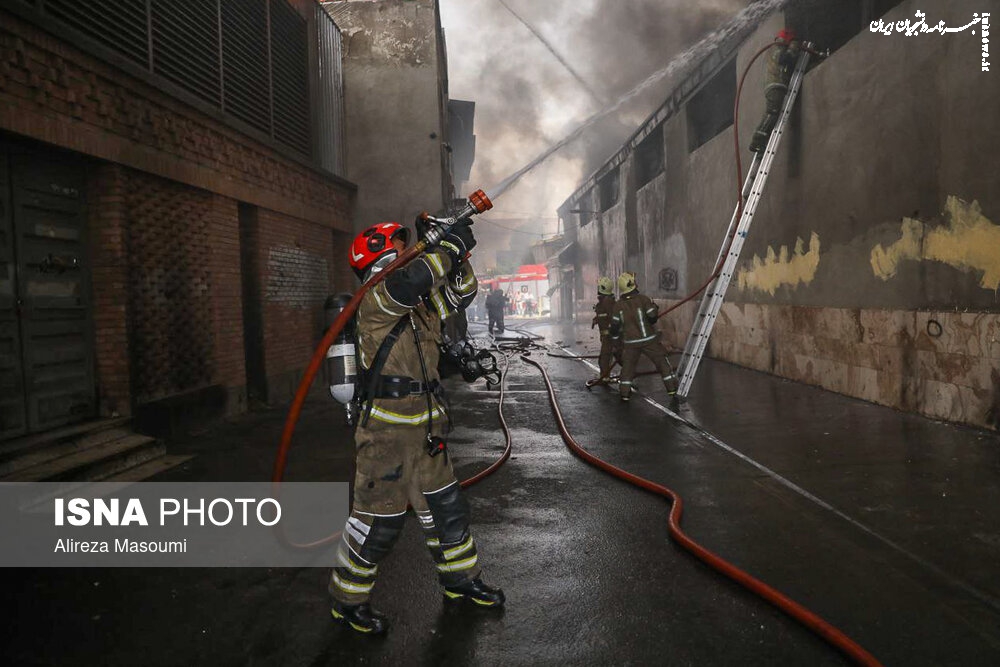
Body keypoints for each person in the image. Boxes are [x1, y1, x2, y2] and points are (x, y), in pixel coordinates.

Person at [329, 220, 504, 635]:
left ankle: (461, 581)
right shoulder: (375, 301)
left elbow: (462, 293)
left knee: (447, 513)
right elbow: (410, 281)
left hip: (427, 430)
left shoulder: (419, 308)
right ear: (381, 258)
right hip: (385, 436)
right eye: (400, 248)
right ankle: (348, 602)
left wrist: (459, 256)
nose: (409, 254)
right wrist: (446, 246)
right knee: (378, 525)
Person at [609, 272, 679, 402]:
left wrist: (615, 343)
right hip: (649, 341)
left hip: (630, 343)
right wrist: (654, 307)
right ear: (632, 284)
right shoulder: (643, 299)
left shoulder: (618, 306)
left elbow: (614, 327)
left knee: (627, 368)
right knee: (662, 363)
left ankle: (624, 394)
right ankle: (672, 390)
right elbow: (652, 317)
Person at [749, 28, 801, 154]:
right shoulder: (776, 49)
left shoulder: (775, 49)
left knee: (773, 113)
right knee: (772, 112)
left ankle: (761, 144)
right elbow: (785, 59)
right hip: (775, 85)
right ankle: (757, 141)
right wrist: (793, 48)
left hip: (775, 85)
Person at [587, 276, 619, 386]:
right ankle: (608, 377)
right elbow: (604, 315)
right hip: (608, 336)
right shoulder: (604, 301)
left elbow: (613, 317)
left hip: (610, 336)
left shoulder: (607, 302)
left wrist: (612, 332)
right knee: (614, 357)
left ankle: (605, 378)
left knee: (605, 358)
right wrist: (596, 319)